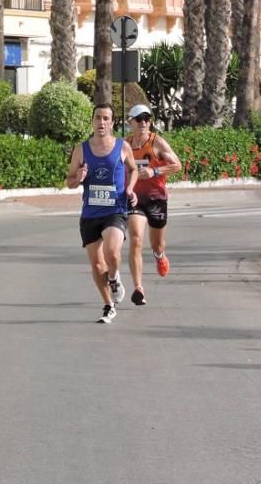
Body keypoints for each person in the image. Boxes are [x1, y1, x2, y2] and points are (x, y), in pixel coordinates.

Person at [65, 103, 138, 324]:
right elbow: (69, 181)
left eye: (106, 118)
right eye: (98, 118)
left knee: (113, 252)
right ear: (92, 121)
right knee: (97, 266)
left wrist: (130, 188)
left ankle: (114, 278)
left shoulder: (122, 147)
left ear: (112, 123)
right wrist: (79, 177)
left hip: (115, 209)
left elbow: (133, 169)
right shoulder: (81, 149)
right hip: (90, 213)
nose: (102, 122)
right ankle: (108, 305)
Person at [125, 104, 182, 305]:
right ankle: (138, 288)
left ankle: (159, 255)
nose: (143, 123)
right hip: (134, 199)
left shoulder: (156, 142)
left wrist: (155, 171)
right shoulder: (125, 144)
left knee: (157, 244)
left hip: (156, 198)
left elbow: (177, 165)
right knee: (136, 239)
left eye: (147, 119)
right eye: (139, 119)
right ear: (130, 122)